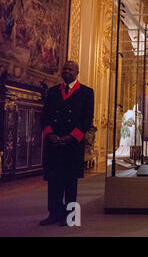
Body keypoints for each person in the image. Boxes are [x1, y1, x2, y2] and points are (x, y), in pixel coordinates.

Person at [40, 61, 94, 226]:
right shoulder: (53, 91)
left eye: (71, 69)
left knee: (71, 182)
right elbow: (46, 115)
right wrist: (50, 135)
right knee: (54, 180)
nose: (67, 71)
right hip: (54, 143)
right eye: (65, 68)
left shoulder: (86, 92)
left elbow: (87, 119)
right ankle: (54, 213)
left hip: (72, 143)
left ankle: (70, 215)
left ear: (77, 72)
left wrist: (71, 137)